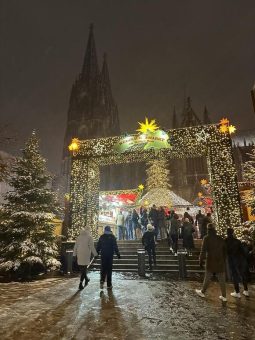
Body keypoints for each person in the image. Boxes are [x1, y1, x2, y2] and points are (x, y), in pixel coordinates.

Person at [195, 223, 227, 302]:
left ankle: (202, 291)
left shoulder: (206, 238)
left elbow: (203, 250)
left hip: (211, 260)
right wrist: (223, 258)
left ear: (208, 229)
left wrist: (200, 260)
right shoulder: (220, 238)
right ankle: (224, 296)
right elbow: (224, 249)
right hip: (220, 260)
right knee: (222, 278)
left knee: (207, 277)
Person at [225, 228, 249, 298]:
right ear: (233, 233)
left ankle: (237, 292)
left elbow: (225, 251)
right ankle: (246, 291)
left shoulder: (225, 241)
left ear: (227, 233)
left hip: (232, 260)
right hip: (240, 260)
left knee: (234, 276)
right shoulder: (237, 241)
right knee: (243, 274)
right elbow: (243, 252)